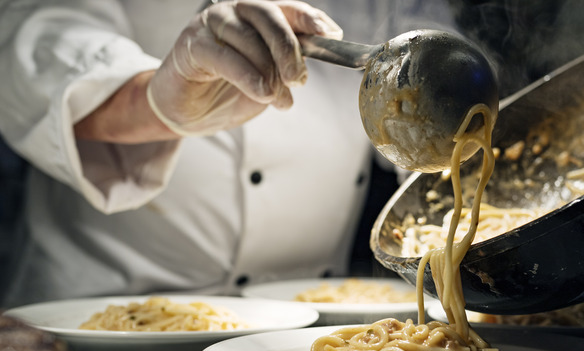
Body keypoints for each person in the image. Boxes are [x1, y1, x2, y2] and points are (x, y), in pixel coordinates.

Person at [0, 0, 460, 308]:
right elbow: (33, 44)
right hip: (100, 320)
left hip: (317, 319)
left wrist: (452, 98)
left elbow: (424, 37)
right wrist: (155, 102)